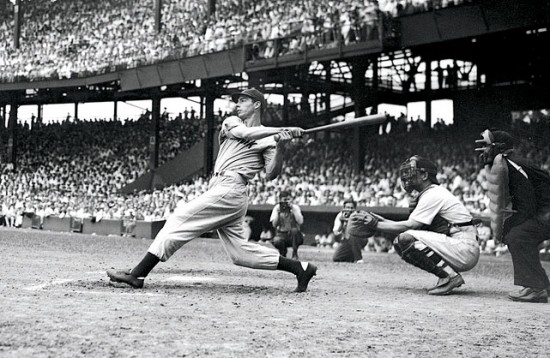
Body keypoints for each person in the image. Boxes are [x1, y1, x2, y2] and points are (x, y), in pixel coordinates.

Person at [107, 88, 317, 292]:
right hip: (221, 188)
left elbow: (271, 174)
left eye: (243, 101)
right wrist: (280, 130)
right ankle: (301, 268)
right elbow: (246, 133)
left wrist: (280, 144)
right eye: (237, 101)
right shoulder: (232, 122)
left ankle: (138, 274)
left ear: (256, 105)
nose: (237, 104)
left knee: (179, 217)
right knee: (240, 254)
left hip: (232, 188)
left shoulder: (271, 140)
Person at [373, 155, 480, 295]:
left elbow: (409, 227)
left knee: (405, 239)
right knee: (399, 242)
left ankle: (450, 277)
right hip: (458, 245)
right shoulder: (429, 193)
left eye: (411, 171)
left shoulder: (433, 194)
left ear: (424, 175)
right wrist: (380, 220)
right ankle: (446, 276)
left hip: (464, 247)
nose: (406, 176)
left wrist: (375, 225)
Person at [475, 129, 550, 303]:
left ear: (499, 147)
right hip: (544, 210)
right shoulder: (508, 162)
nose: (482, 150)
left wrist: (512, 225)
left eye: (486, 146)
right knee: (517, 235)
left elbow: (527, 202)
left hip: (546, 211)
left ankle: (536, 288)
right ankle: (541, 285)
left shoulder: (511, 165)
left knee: (518, 236)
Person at [332, 198, 369, 263]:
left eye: (352, 208)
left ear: (355, 209)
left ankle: (358, 258)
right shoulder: (340, 215)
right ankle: (352, 257)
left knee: (353, 234)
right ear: (344, 208)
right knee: (337, 258)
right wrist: (342, 222)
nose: (349, 210)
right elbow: (336, 232)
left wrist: (349, 221)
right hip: (347, 240)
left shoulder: (358, 215)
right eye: (347, 207)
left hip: (361, 239)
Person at [270, 191, 304, 259]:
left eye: (288, 199)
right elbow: (274, 225)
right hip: (282, 234)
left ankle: (294, 253)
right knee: (277, 240)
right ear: (280, 200)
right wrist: (278, 213)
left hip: (294, 236)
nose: (287, 202)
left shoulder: (295, 207)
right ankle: (283, 253)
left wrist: (293, 210)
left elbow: (300, 221)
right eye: (285, 200)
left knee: (294, 230)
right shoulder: (277, 208)